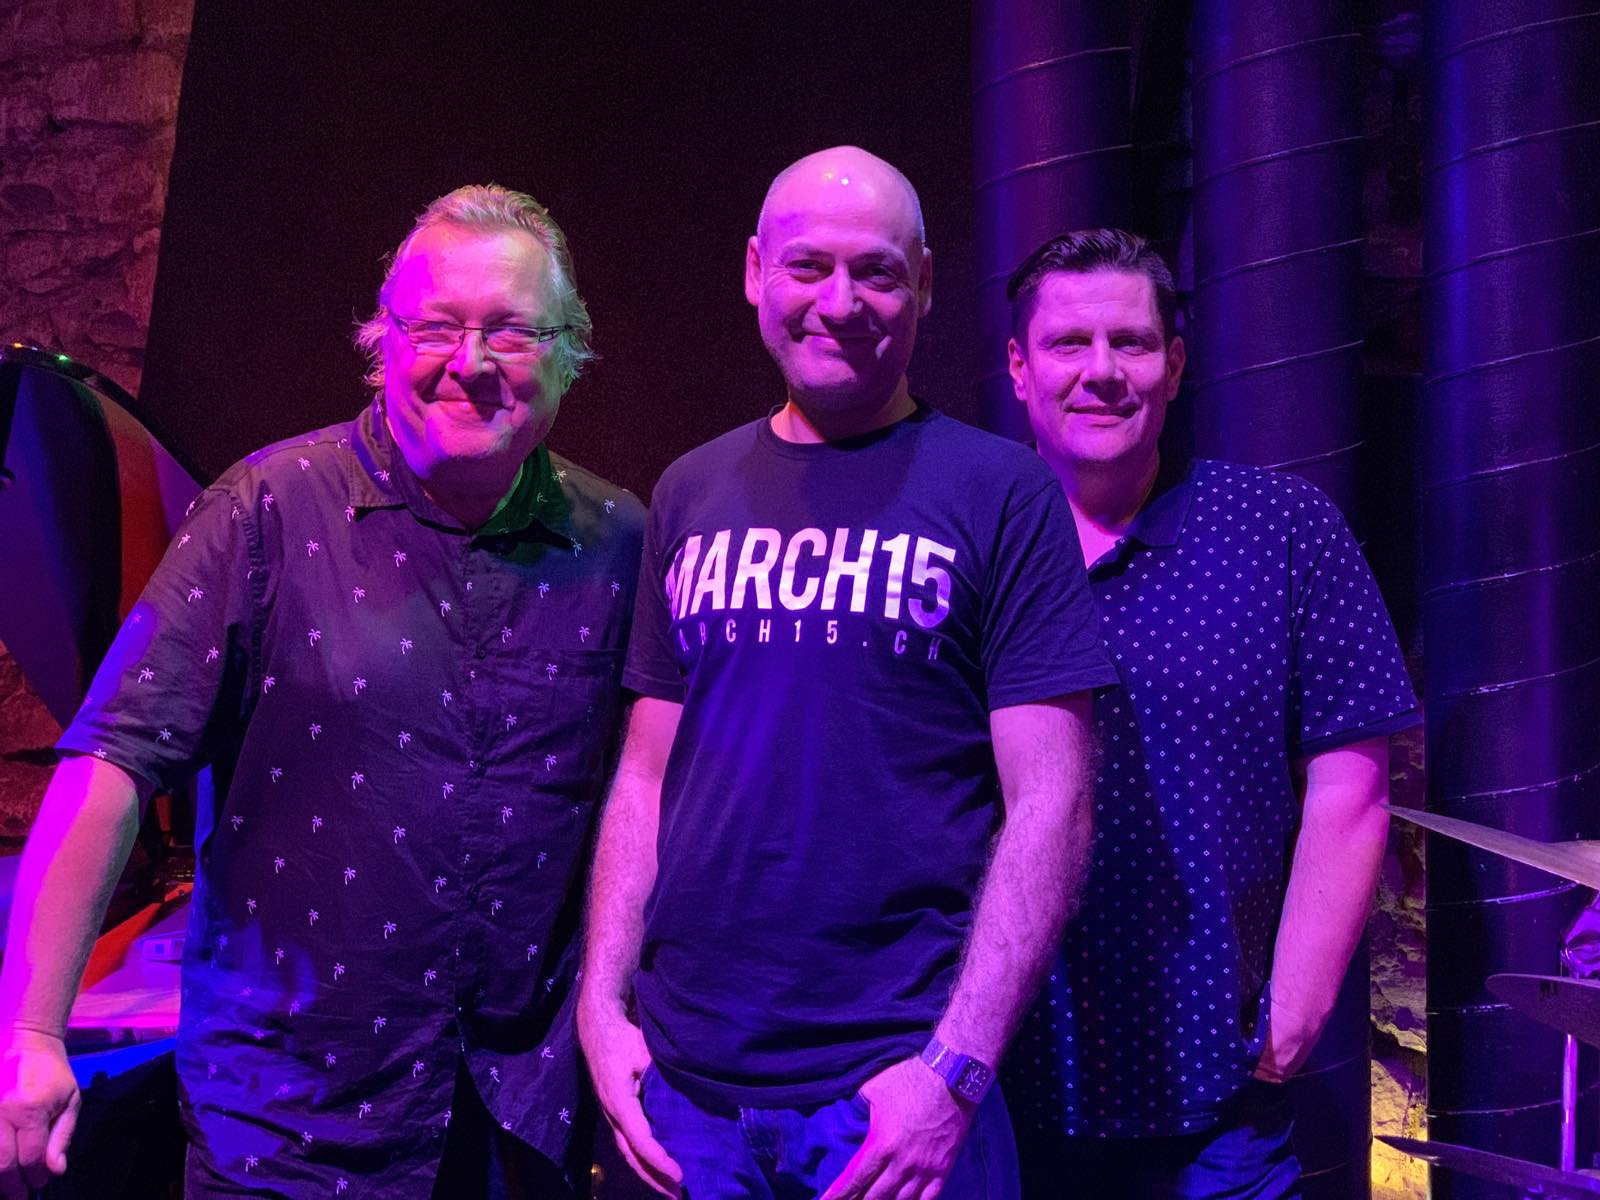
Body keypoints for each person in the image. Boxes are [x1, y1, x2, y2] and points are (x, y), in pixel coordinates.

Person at [0, 184, 645, 1199]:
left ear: (569, 353)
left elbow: (650, 804)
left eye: (513, 331)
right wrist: (32, 1032)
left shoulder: (620, 542)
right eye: (436, 326)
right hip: (285, 1123)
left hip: (518, 1122)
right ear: (383, 340)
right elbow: (114, 760)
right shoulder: (266, 508)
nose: (470, 362)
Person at [577, 146, 1118, 1200]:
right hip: (683, 1097)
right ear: (754, 272)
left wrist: (954, 1073)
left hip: (891, 1096)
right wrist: (601, 1009)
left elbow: (1053, 802)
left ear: (924, 283)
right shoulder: (690, 489)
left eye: (875, 271)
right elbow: (644, 777)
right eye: (808, 266)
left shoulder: (1001, 492)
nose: (839, 302)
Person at [1002, 229, 1420, 1197]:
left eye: (1131, 343)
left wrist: (1297, 1007)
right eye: (1068, 344)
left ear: (1175, 364)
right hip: (995, 1089)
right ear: (1020, 368)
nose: (1102, 371)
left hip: (1217, 1095)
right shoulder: (968, 535)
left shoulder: (1280, 528)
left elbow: (1353, 783)